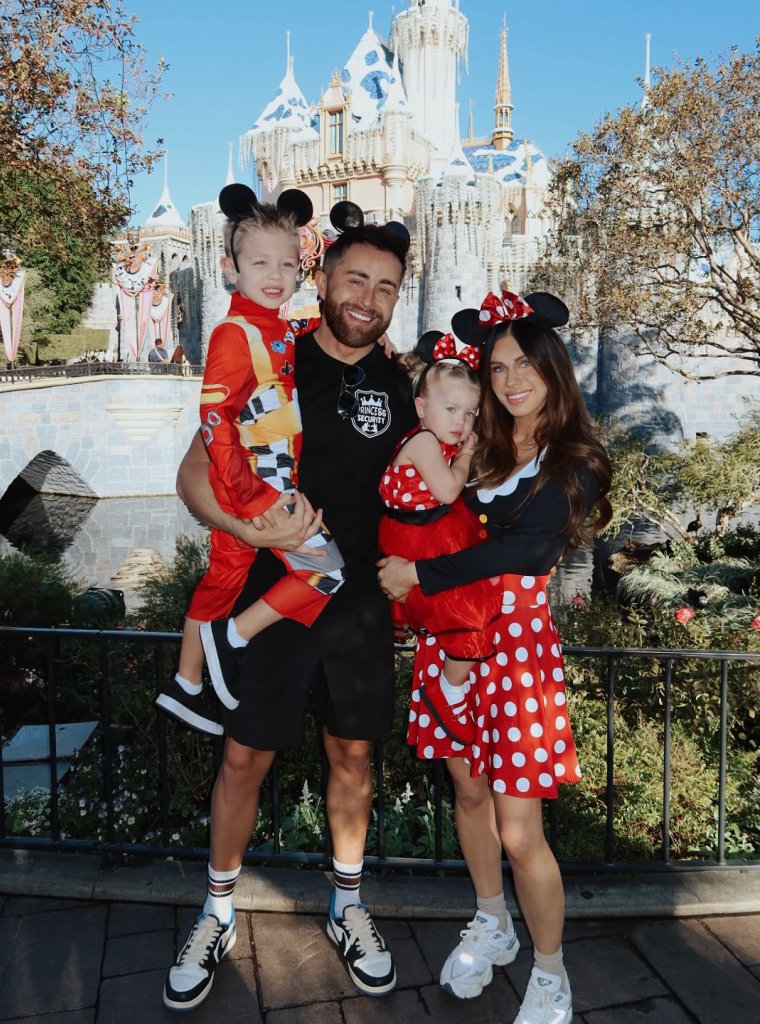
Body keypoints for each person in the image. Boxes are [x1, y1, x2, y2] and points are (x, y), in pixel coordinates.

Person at [162, 218, 416, 1011]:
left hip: (358, 610)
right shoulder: (275, 352)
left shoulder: (404, 383)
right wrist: (242, 528)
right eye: (355, 280)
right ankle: (217, 909)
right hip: (269, 601)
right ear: (323, 275)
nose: (368, 299)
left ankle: (347, 902)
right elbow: (193, 470)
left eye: (386, 287)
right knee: (241, 760)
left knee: (352, 762)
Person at [377, 290, 612, 1024]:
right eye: (498, 367)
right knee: (469, 796)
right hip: (450, 639)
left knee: (520, 830)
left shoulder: (577, 458)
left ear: (553, 369)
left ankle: (550, 973)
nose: (509, 380)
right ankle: (493, 921)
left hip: (514, 654)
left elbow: (529, 547)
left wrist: (419, 576)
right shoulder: (482, 444)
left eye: (524, 365)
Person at [156, 184, 347, 737]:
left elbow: (296, 336)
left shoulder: (276, 329)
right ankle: (232, 638)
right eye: (260, 261)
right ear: (229, 267)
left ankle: (186, 685)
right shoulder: (232, 335)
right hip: (262, 484)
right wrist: (251, 502)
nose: (276, 273)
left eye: (288, 263)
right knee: (326, 570)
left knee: (221, 578)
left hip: (261, 482)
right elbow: (215, 425)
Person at [377, 341, 501, 746]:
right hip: (418, 534)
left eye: (470, 414)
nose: (462, 422)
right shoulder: (425, 443)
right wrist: (466, 456)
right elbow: (448, 492)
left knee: (466, 595)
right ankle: (447, 693)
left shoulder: (431, 440)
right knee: (469, 609)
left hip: (421, 531)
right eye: (451, 410)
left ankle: (448, 682)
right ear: (420, 407)